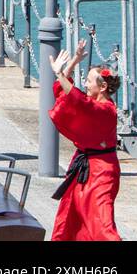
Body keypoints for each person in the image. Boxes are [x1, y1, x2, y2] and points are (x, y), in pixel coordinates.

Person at [48, 39, 121, 241]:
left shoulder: (106, 110)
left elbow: (77, 100)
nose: (86, 84)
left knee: (101, 223)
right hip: (84, 167)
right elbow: (65, 93)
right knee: (71, 216)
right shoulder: (93, 103)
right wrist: (74, 61)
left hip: (102, 173)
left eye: (89, 81)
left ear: (103, 86)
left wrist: (59, 72)